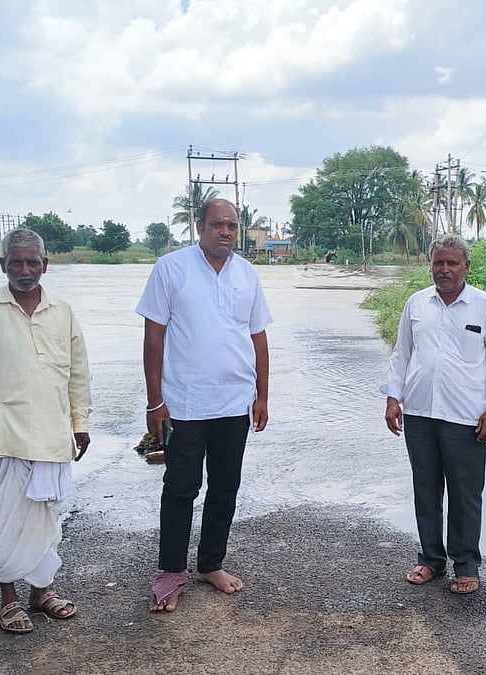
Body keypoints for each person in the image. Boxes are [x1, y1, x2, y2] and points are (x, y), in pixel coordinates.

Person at [136, 198, 272, 613]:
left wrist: (262, 395)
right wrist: (155, 401)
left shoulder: (247, 274)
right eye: (217, 225)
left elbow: (258, 338)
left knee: (225, 486)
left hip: (234, 402)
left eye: (232, 226)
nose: (226, 232)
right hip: (184, 404)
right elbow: (154, 336)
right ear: (200, 227)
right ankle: (171, 571)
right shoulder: (171, 268)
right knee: (181, 488)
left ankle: (210, 563)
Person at [0, 228, 92, 634]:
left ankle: (41, 593)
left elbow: (78, 374)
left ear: (45, 266)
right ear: (3, 265)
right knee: (6, 520)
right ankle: (9, 601)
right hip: (3, 435)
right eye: (17, 262)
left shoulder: (63, 311)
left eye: (33, 262)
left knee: (47, 518)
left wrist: (79, 423)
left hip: (52, 436)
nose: (25, 269)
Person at [382, 235, 486, 595]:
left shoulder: (484, 306)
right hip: (420, 412)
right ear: (431, 265)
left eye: (453, 263)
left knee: (465, 492)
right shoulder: (416, 304)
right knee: (425, 488)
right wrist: (394, 398)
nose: (445, 269)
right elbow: (401, 355)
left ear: (466, 267)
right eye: (439, 262)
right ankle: (431, 560)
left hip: (466, 415)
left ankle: (466, 565)